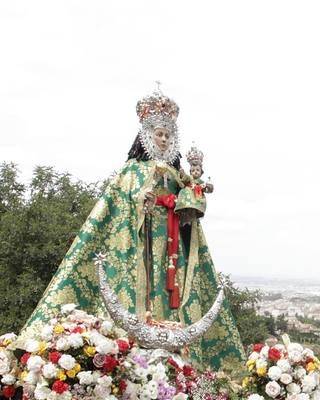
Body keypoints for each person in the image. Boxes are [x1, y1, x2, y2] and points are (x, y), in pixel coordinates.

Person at [19, 87, 242, 370]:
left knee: (170, 291)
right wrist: (141, 201)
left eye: (168, 135)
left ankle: (176, 352)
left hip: (172, 245)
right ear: (147, 136)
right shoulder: (132, 170)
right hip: (139, 243)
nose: (164, 139)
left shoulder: (178, 176)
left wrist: (189, 202)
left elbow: (190, 203)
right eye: (159, 134)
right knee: (144, 286)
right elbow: (122, 200)